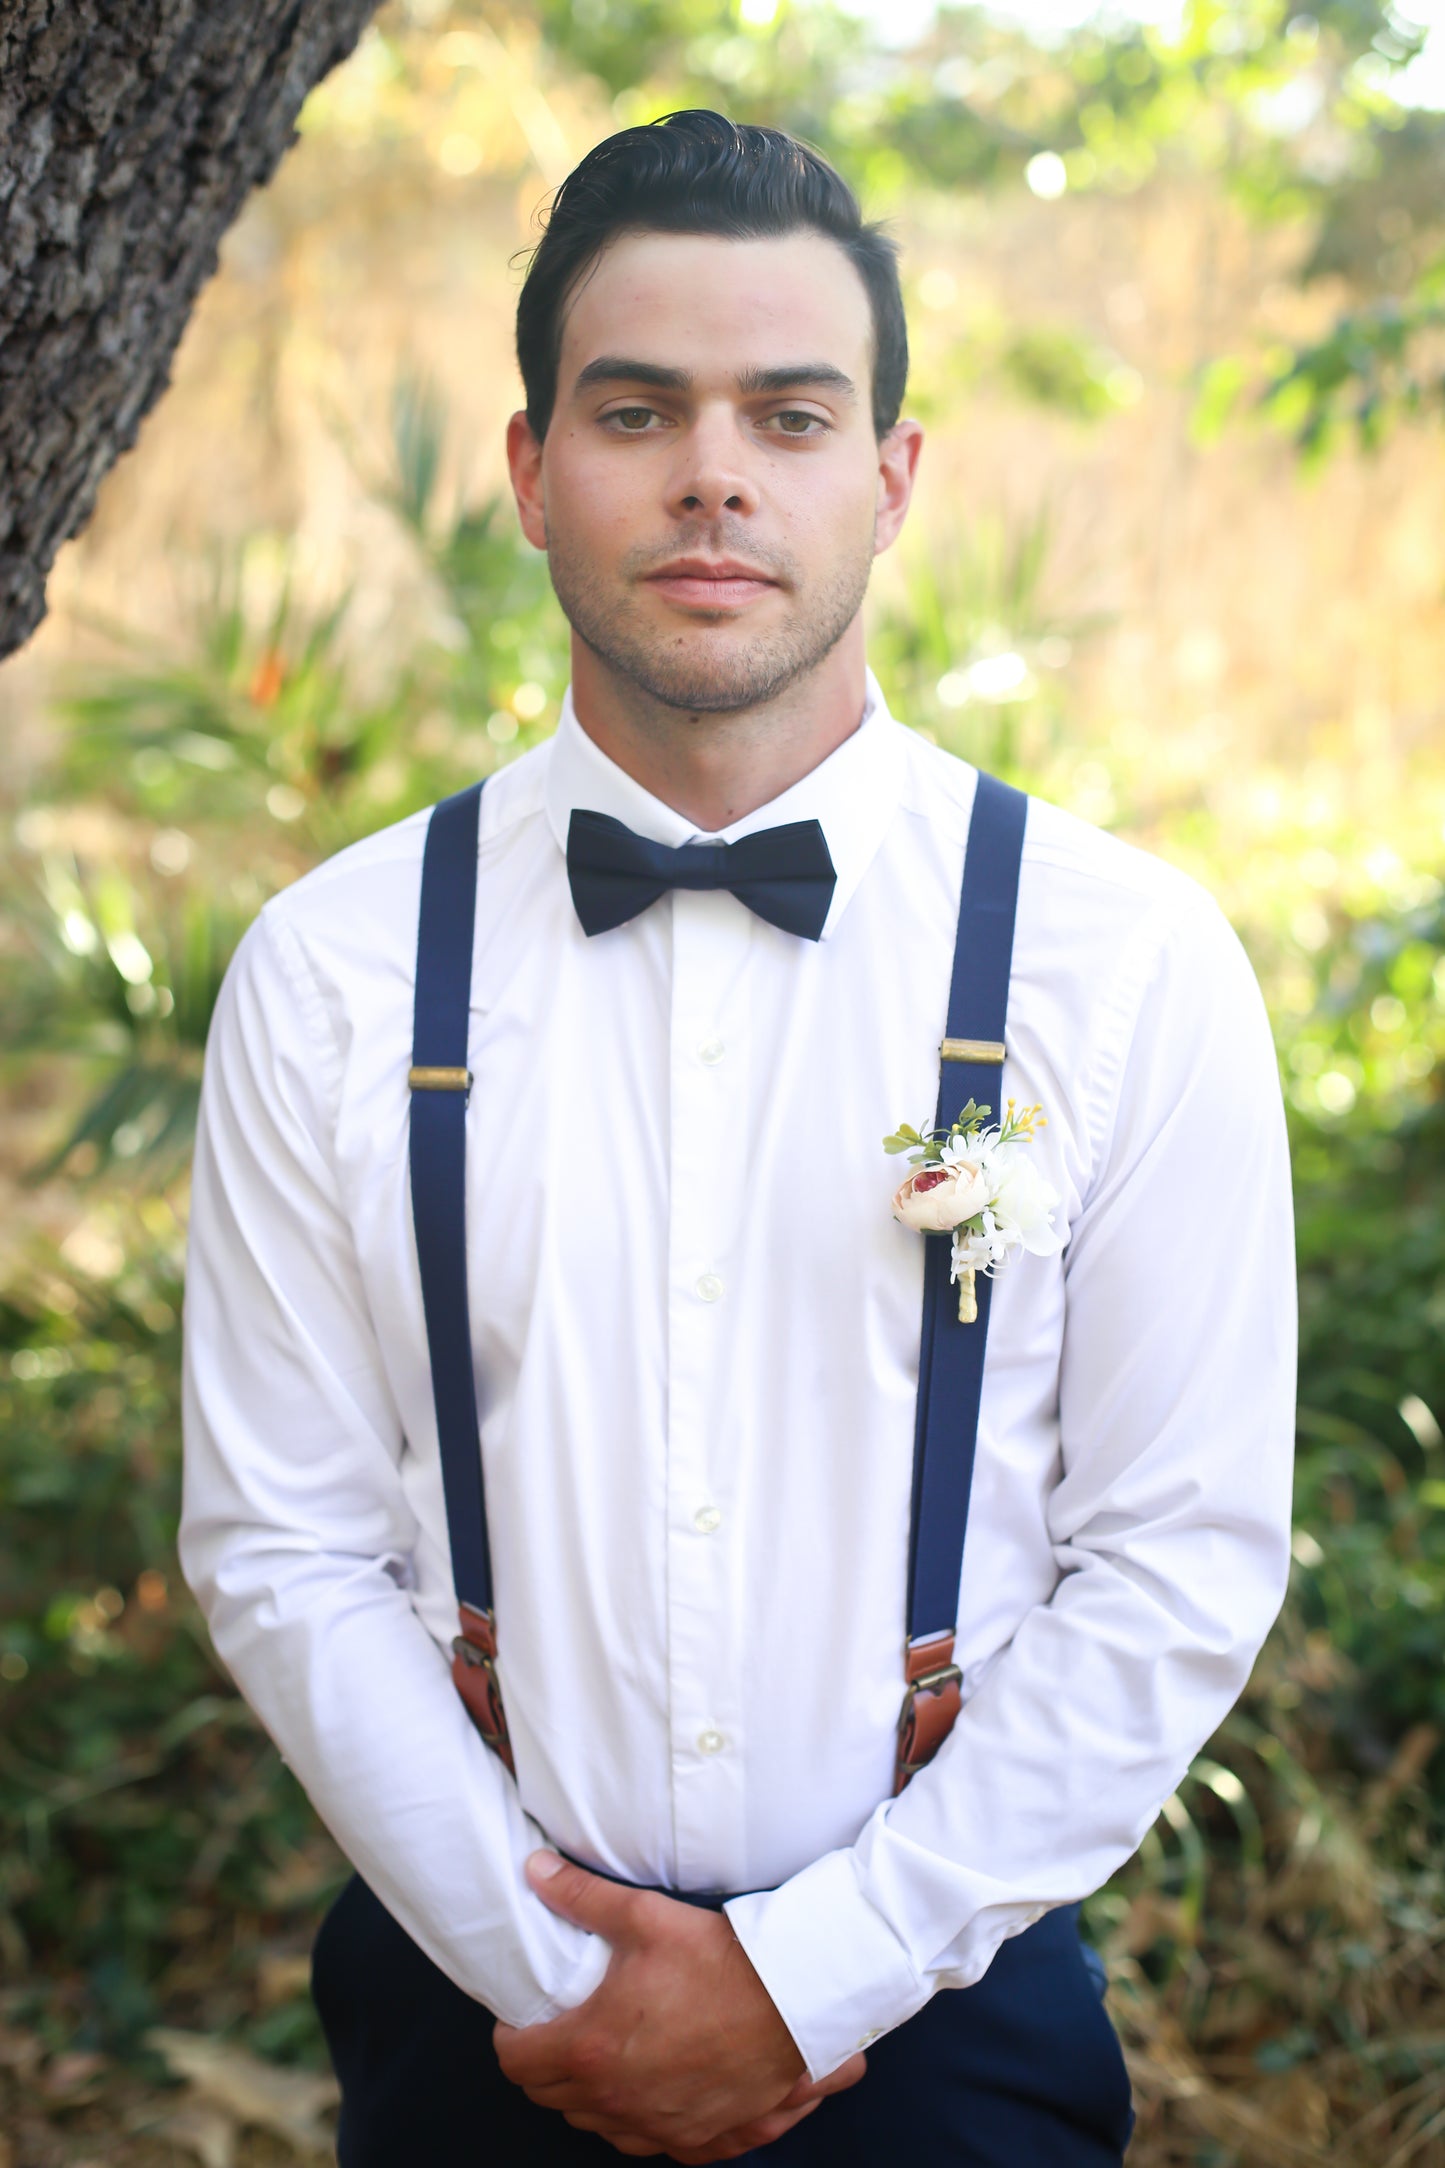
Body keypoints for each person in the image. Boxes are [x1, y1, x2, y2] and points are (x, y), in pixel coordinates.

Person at [179, 109, 1295, 2166]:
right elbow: (284, 1541)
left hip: (943, 2024)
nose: (715, 472)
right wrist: (573, 1984)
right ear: (529, 469)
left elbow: (1179, 1553)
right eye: (637, 410)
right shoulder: (330, 969)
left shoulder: (1126, 961)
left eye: (790, 413)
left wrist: (810, 1975)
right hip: (481, 2019)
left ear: (890, 477)